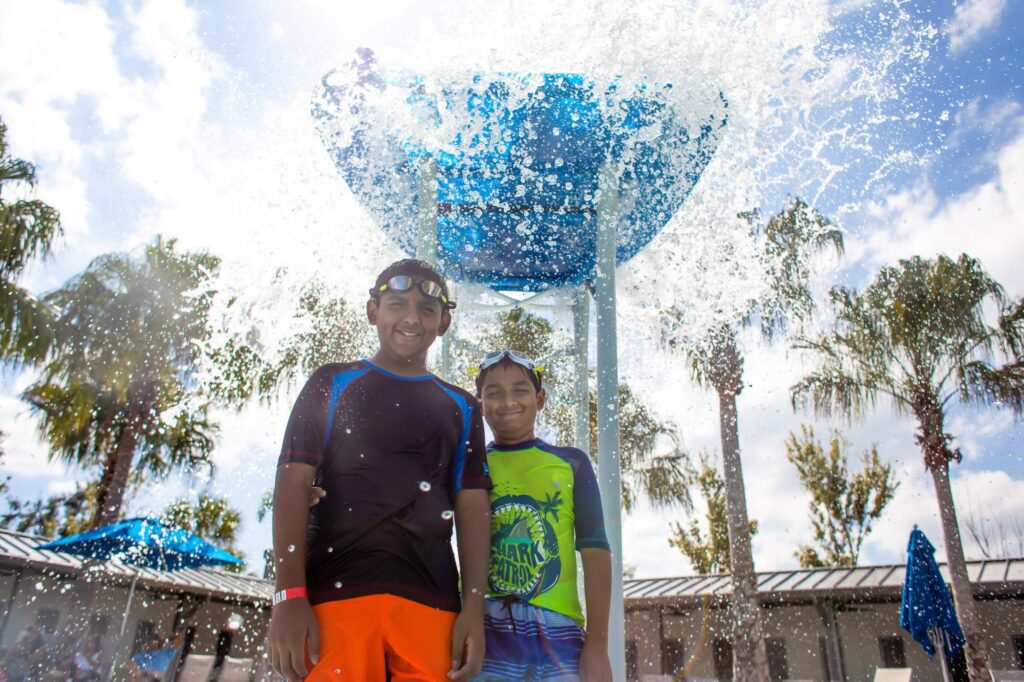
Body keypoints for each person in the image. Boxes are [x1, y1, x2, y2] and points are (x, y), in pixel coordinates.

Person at [268, 259, 492, 682]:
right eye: (397, 304)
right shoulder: (332, 382)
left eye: (427, 309)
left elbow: (472, 507)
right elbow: (292, 484)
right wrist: (289, 595)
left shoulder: (461, 407)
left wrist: (474, 608)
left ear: (444, 322)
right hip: (335, 598)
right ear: (373, 310)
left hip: (432, 604)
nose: (411, 318)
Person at [472, 349, 613, 682]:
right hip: (486, 627)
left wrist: (597, 645)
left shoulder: (571, 463)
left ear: (540, 399)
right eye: (494, 392)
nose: (508, 400)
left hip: (559, 632)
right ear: (480, 404)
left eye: (520, 390)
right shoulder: (471, 464)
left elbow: (595, 550)